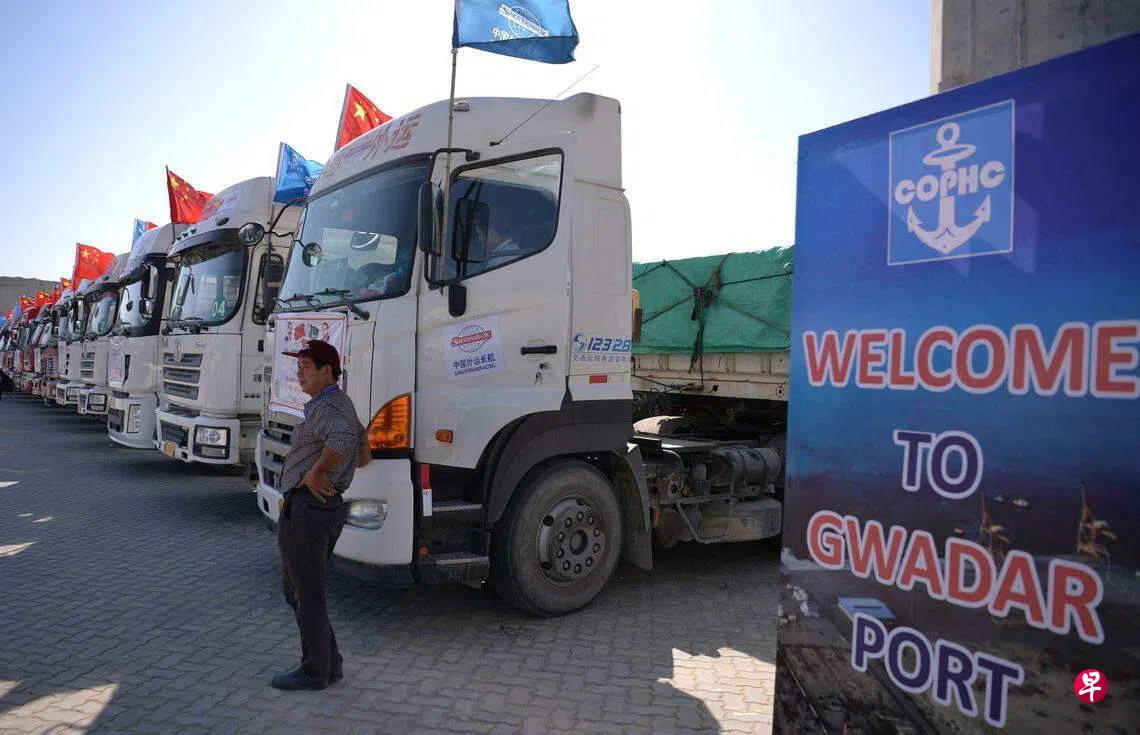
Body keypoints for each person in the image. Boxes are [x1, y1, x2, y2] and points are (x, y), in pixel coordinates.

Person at [272, 340, 371, 691]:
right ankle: (330, 663)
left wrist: (316, 472)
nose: (299, 373)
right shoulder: (339, 404)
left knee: (306, 594)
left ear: (327, 371)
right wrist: (333, 466)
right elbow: (363, 454)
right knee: (298, 590)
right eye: (297, 366)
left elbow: (342, 440)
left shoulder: (329, 406)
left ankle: (316, 672)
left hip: (310, 510)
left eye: (305, 367)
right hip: (320, 510)